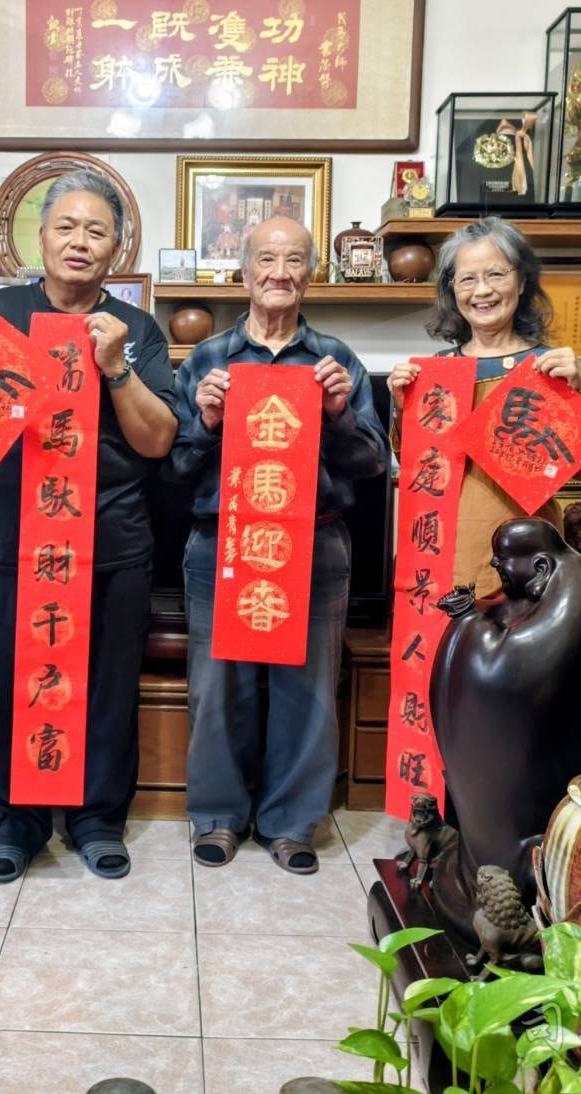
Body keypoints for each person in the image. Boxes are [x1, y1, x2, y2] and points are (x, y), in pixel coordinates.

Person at [0, 170, 179, 884]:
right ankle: (16, 822)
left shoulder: (135, 330)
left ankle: (96, 820)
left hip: (110, 544)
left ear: (116, 248)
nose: (79, 241)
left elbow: (158, 441)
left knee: (106, 687)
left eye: (95, 231)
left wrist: (115, 369)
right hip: (10, 543)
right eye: (65, 227)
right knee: (2, 681)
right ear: (38, 239)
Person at [168, 217, 389, 874]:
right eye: (266, 259)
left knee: (308, 690)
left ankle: (291, 823)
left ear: (309, 275)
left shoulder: (334, 361)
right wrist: (207, 421)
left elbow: (373, 463)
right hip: (223, 544)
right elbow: (174, 467)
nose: (279, 273)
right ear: (244, 273)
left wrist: (339, 415)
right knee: (217, 688)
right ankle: (217, 815)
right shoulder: (208, 358)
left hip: (314, 543)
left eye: (294, 261)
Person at [389, 217, 581, 593]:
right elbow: (415, 464)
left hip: (529, 557)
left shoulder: (549, 368)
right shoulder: (436, 373)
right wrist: (402, 404)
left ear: (522, 281)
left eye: (496, 275)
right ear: (452, 289)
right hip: (447, 554)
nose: (482, 290)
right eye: (467, 279)